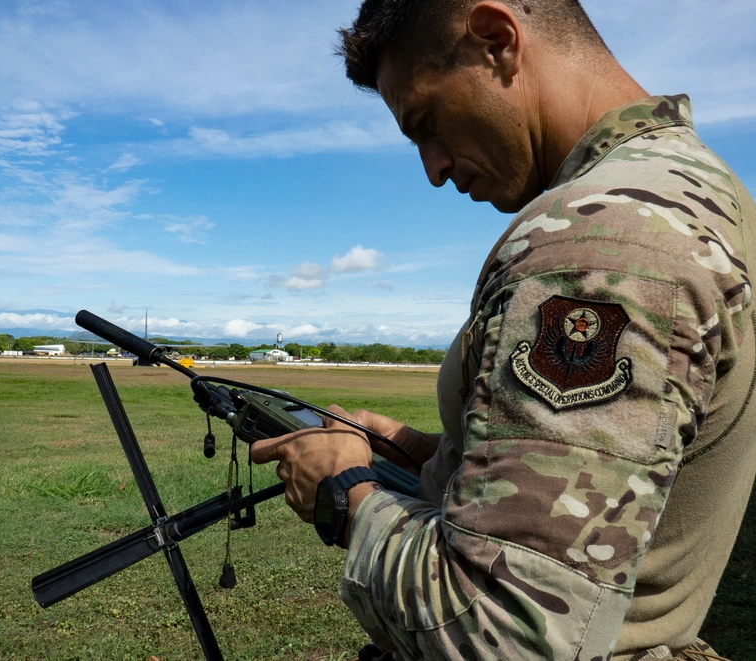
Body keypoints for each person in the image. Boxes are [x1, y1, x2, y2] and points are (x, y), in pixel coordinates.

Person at [249, 1, 755, 659]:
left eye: (425, 124)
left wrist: (346, 493)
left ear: (494, 39)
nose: (432, 168)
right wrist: (424, 448)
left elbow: (503, 629)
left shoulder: (602, 238)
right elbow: (619, 476)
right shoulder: (694, 187)